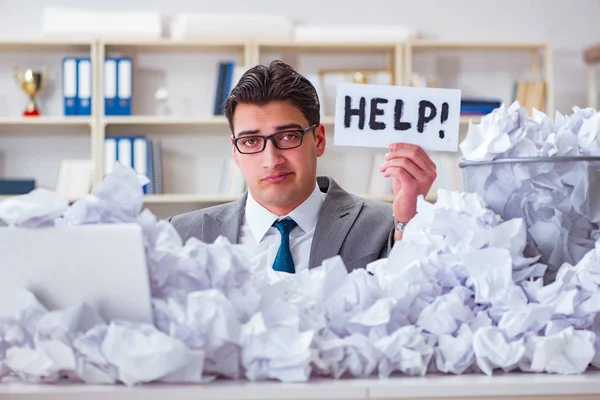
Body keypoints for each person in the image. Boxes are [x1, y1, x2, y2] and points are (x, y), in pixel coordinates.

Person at [168, 60, 437, 273]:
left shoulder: (384, 225)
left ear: (318, 140)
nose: (272, 160)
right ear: (235, 152)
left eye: (288, 137)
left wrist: (408, 219)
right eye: (250, 141)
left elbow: (409, 305)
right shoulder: (182, 234)